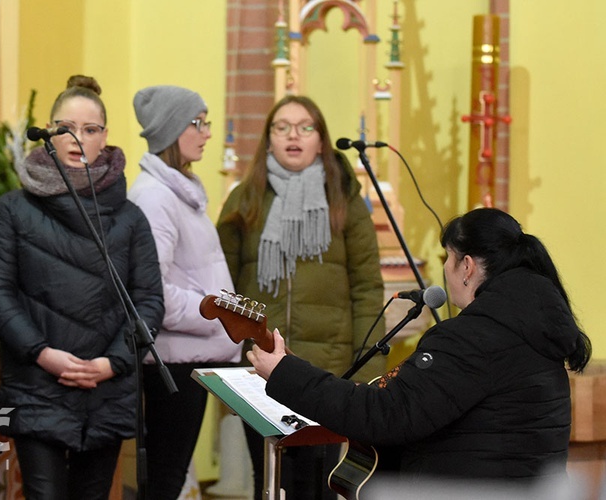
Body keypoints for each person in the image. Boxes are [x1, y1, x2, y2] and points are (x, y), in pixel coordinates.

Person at [249, 207, 592, 494]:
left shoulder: (474, 336)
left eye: (448, 257)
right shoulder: (536, 324)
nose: (445, 268)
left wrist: (284, 373)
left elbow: (386, 416)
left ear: (468, 266)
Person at [0, 75, 164, 499]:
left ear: (105, 138)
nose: (77, 138)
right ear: (48, 132)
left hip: (107, 386)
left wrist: (112, 363)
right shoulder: (13, 209)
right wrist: (43, 355)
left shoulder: (131, 218)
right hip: (36, 381)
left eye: (90, 129)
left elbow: (150, 301)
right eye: (65, 128)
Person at [217, 95, 386, 499]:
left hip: (328, 371)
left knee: (321, 486)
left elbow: (367, 288)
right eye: (282, 127)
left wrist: (365, 371)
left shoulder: (344, 199)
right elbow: (222, 283)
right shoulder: (245, 197)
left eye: (305, 127)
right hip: (259, 368)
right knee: (270, 483)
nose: (294, 136)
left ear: (321, 140)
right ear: (269, 139)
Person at [128, 85, 242, 500]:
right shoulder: (155, 198)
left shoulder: (180, 191)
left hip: (196, 350)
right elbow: (152, 292)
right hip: (174, 359)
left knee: (171, 477)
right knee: (165, 479)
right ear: (174, 131)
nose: (207, 132)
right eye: (199, 123)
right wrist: (217, 313)